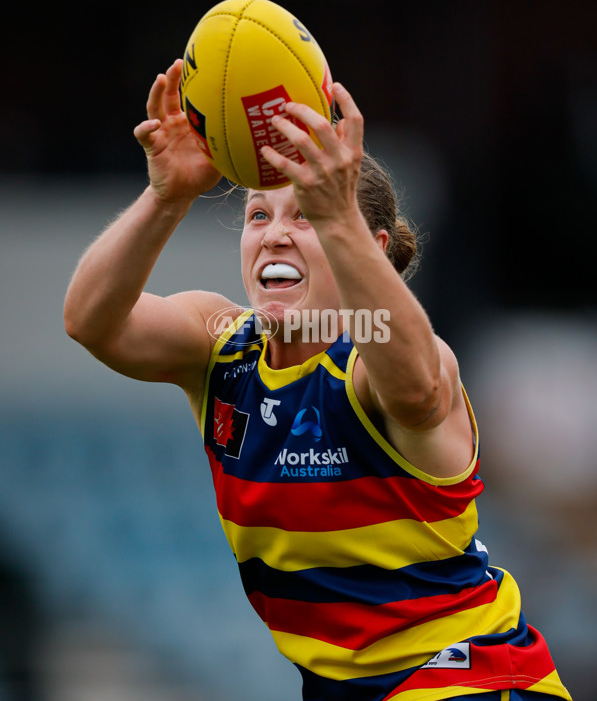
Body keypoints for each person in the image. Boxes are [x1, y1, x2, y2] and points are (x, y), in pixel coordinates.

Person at [64, 58, 571, 701]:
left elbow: (416, 388)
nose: (274, 234)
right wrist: (167, 196)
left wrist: (338, 216)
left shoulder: (378, 360)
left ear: (371, 244)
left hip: (469, 682)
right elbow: (91, 322)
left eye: (303, 215)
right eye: (257, 216)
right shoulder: (222, 344)